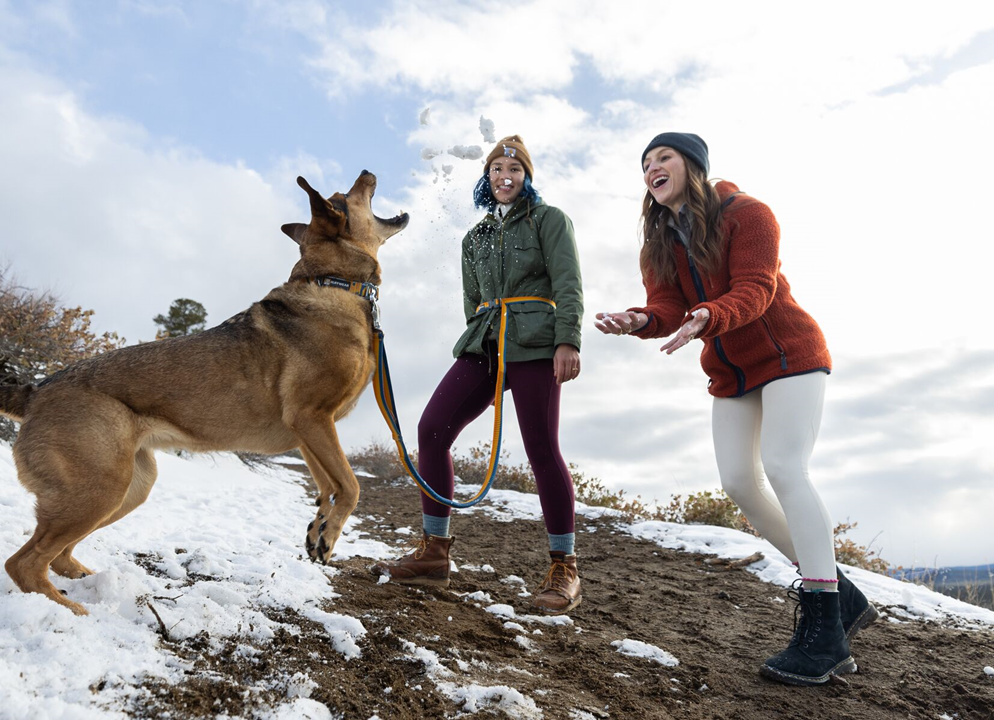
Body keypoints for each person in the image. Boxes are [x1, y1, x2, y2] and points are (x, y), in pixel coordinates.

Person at [595, 132, 878, 685]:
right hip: (732, 372)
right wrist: (641, 320)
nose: (652, 168)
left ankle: (825, 631)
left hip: (789, 354)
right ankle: (841, 593)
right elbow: (665, 307)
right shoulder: (659, 242)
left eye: (664, 157)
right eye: (645, 163)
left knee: (784, 467)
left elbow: (757, 288)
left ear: (693, 166)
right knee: (739, 483)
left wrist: (706, 316)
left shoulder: (748, 213)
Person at [372, 135, 585, 614]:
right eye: (496, 168)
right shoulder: (476, 237)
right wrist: (479, 336)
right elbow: (472, 301)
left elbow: (568, 281)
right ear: (486, 177)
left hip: (535, 342)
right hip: (484, 342)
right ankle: (434, 553)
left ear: (526, 176)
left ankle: (563, 566)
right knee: (431, 430)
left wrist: (567, 339)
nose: (504, 176)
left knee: (541, 448)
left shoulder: (550, 220)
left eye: (514, 168)